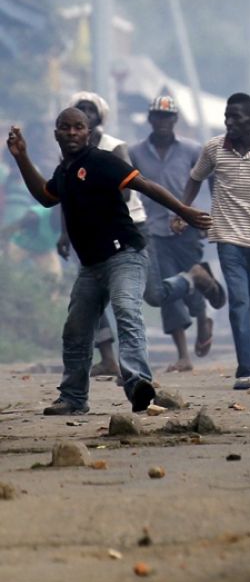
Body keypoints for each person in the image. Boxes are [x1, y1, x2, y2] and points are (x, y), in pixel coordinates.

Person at [5, 109, 215, 415]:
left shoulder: (101, 161)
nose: (73, 133)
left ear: (88, 133)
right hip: (91, 265)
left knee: (127, 308)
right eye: (66, 128)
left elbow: (145, 185)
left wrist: (184, 210)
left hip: (124, 254)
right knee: (76, 329)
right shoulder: (65, 172)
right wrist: (21, 156)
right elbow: (46, 196)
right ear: (57, 135)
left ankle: (138, 382)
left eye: (79, 128)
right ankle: (74, 398)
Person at [179, 93, 250, 390]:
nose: (229, 122)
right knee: (239, 302)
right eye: (227, 117)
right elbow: (195, 178)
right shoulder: (214, 149)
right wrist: (183, 210)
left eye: (236, 117)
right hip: (228, 237)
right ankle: (246, 368)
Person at [129, 95, 216, 372]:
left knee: (191, 279)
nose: (163, 122)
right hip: (152, 229)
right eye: (158, 117)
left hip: (187, 226)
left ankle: (202, 318)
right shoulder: (135, 153)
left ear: (175, 120)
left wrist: (207, 216)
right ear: (150, 119)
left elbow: (210, 180)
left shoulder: (192, 150)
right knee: (167, 288)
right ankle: (183, 355)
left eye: (168, 117)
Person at [68, 91, 150, 379]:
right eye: (79, 111)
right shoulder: (69, 156)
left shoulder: (113, 148)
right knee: (87, 304)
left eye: (89, 112)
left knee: (134, 301)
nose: (83, 117)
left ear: (97, 119)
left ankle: (137, 377)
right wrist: (66, 234)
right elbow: (61, 196)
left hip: (127, 229)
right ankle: (106, 361)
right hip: (91, 236)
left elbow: (127, 191)